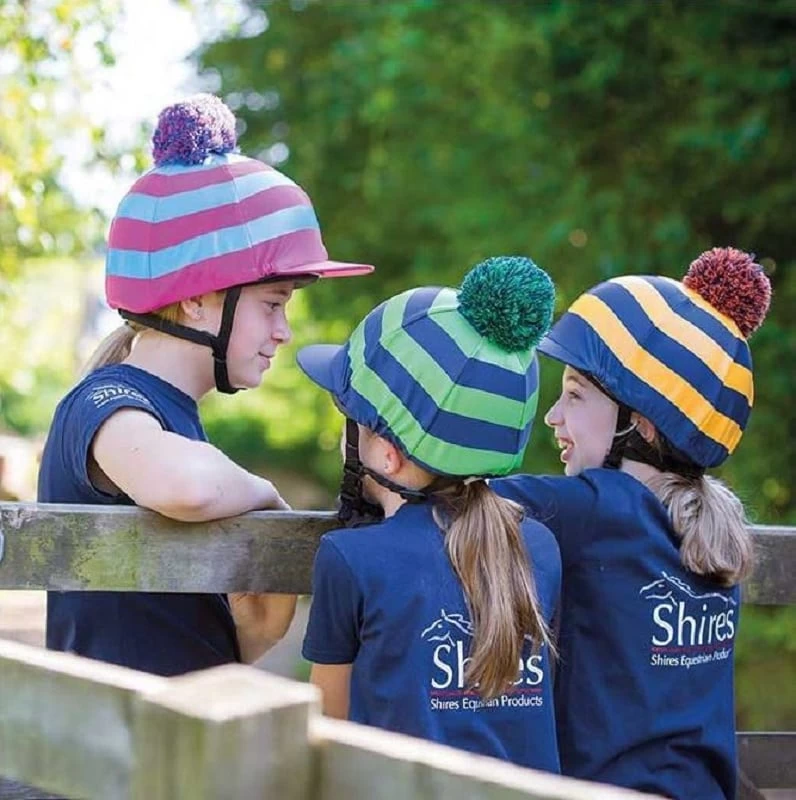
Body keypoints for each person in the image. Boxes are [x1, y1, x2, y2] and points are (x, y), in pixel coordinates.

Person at [38, 94, 373, 676]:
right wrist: (266, 496)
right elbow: (188, 487)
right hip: (116, 730)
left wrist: (260, 627)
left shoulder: (173, 417)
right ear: (196, 299)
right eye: (272, 304)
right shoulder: (103, 404)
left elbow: (193, 644)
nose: (284, 332)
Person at [492, 247, 772, 798]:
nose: (553, 416)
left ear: (638, 424)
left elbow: (453, 494)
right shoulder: (718, 519)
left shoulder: (597, 508)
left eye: (575, 395)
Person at [297, 256, 563, 773]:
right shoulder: (540, 547)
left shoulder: (350, 558)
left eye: (351, 419)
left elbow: (326, 734)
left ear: (387, 454)